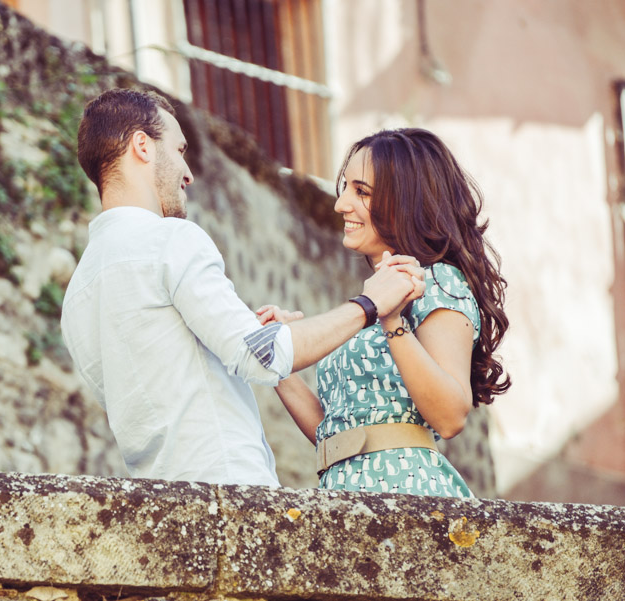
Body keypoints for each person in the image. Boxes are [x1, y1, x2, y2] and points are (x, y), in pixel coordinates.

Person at [61, 88, 424, 487]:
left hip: (160, 502)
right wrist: (370, 303)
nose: (188, 172)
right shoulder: (170, 240)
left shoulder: (77, 296)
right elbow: (262, 355)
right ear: (143, 146)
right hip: (228, 491)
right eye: (179, 150)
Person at [259, 127, 510, 497]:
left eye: (361, 192)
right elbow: (336, 436)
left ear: (405, 202)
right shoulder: (373, 302)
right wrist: (275, 366)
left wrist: (392, 321)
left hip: (409, 495)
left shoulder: (437, 281)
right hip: (342, 494)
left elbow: (451, 415)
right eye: (345, 187)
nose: (341, 204)